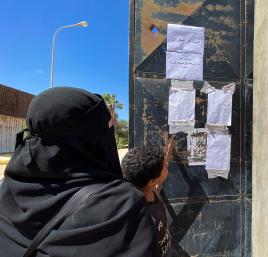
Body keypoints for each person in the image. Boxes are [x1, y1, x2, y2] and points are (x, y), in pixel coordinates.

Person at [0, 87, 157, 257]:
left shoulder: (6, 187)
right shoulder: (121, 205)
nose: (112, 131)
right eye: (108, 126)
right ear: (90, 137)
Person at [121, 146, 172, 257]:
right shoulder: (141, 217)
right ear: (152, 181)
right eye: (164, 166)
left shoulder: (152, 192)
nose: (167, 164)